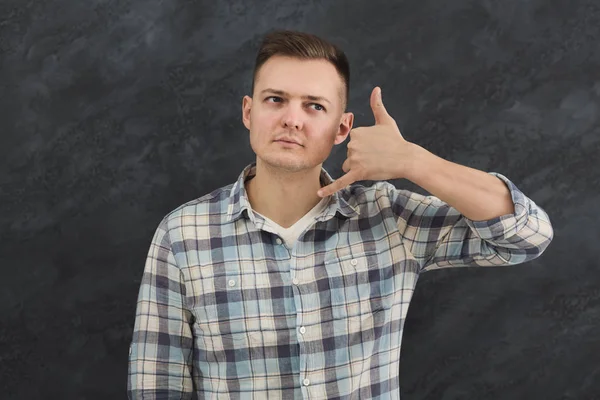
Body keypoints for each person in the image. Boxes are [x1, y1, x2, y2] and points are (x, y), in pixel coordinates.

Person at [127, 29, 554, 399]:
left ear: (342, 128)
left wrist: (412, 162)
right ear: (249, 111)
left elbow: (528, 235)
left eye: (314, 106)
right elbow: (157, 384)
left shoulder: (390, 218)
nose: (292, 119)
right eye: (276, 99)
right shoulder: (183, 233)